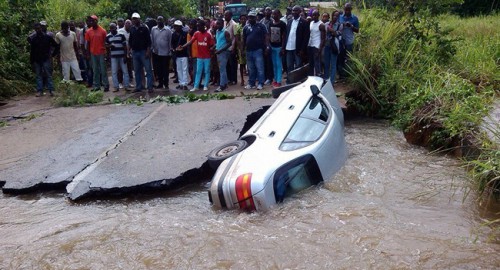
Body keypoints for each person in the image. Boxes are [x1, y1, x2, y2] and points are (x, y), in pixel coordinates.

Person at [178, 20, 214, 92]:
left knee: (206, 71)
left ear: (203, 26)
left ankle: (206, 85)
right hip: (199, 57)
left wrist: (212, 49)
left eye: (199, 26)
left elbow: (212, 45)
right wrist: (183, 47)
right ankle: (196, 86)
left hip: (207, 57)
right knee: (198, 71)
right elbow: (190, 42)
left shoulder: (208, 35)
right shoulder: (197, 33)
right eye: (197, 26)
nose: (197, 27)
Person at [28, 22, 58, 96]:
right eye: (36, 29)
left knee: (48, 74)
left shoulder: (48, 37)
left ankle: (51, 90)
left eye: (39, 28)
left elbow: (56, 46)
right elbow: (32, 50)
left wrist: (53, 54)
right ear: (35, 30)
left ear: (41, 28)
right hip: (37, 59)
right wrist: (32, 61)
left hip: (46, 58)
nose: (38, 30)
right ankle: (39, 91)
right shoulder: (34, 39)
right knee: (38, 75)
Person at [283, 5, 310, 84]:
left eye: (296, 11)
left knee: (298, 65)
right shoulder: (290, 21)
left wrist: (302, 49)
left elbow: (306, 38)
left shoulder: (304, 22)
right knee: (289, 66)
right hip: (289, 47)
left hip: (298, 49)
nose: (294, 12)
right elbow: (286, 35)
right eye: (293, 11)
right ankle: (290, 81)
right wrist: (284, 47)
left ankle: (298, 81)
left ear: (300, 12)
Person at [243, 11, 268, 90]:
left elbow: (266, 36)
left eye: (252, 17)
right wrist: (242, 49)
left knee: (260, 68)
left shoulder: (261, 26)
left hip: (258, 50)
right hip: (248, 50)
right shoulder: (246, 27)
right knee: (251, 68)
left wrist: (267, 47)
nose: (251, 19)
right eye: (249, 17)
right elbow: (244, 39)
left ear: (256, 17)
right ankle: (251, 83)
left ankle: (261, 83)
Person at [129, 12, 154, 92]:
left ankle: (150, 87)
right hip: (135, 52)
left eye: (136, 19)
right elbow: (130, 40)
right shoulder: (132, 29)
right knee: (137, 71)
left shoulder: (144, 28)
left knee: (148, 70)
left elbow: (149, 41)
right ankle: (139, 86)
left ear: (139, 19)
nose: (134, 20)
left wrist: (148, 51)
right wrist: (129, 50)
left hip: (143, 51)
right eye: (133, 19)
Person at [84, 15, 109, 92]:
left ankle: (106, 85)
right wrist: (88, 54)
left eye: (93, 21)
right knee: (95, 70)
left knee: (103, 70)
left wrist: (106, 53)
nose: (91, 22)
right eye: (90, 21)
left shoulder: (103, 31)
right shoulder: (88, 31)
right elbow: (88, 43)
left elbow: (105, 43)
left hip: (101, 53)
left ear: (96, 21)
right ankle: (96, 86)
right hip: (93, 53)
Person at [105, 23, 130, 92]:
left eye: (113, 28)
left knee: (125, 71)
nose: (112, 29)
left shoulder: (121, 35)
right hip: (113, 57)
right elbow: (106, 46)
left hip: (122, 56)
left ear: (116, 28)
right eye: (111, 28)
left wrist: (125, 56)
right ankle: (116, 87)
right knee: (114, 72)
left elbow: (125, 46)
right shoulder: (108, 36)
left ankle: (126, 86)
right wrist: (110, 46)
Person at [150, 16, 173, 90]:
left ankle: (166, 84)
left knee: (165, 69)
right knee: (158, 69)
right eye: (158, 20)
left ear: (163, 21)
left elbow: (170, 41)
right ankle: (160, 83)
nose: (159, 21)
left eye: (161, 20)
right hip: (156, 53)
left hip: (165, 53)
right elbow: (152, 39)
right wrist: (153, 49)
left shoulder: (168, 30)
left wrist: (170, 51)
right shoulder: (153, 29)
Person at [338, 2, 359, 79]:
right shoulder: (340, 17)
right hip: (341, 41)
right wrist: (342, 25)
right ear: (344, 9)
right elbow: (336, 27)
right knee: (340, 57)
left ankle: (348, 74)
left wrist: (351, 26)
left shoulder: (355, 18)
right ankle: (341, 74)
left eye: (349, 10)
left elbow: (357, 31)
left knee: (349, 58)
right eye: (346, 10)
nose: (347, 11)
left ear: (351, 9)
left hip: (349, 41)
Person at [214, 18, 232, 92]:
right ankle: (224, 84)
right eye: (216, 24)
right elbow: (218, 42)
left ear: (222, 24)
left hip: (223, 52)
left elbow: (229, 43)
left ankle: (222, 86)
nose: (217, 25)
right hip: (218, 52)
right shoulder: (217, 31)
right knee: (221, 69)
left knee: (222, 69)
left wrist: (220, 50)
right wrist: (214, 47)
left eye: (218, 24)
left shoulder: (226, 32)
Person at [269, 9, 286, 87]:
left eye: (275, 14)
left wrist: (283, 48)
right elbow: (269, 35)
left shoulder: (282, 24)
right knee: (273, 64)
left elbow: (284, 36)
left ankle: (279, 80)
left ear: (279, 15)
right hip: (272, 46)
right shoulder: (270, 23)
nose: (273, 16)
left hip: (279, 47)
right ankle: (275, 79)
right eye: (272, 14)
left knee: (279, 64)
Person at [307, 10, 326, 76]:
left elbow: (323, 38)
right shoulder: (311, 23)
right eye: (313, 15)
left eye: (315, 15)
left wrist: (320, 49)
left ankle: (318, 78)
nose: (314, 16)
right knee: (311, 64)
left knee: (317, 64)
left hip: (317, 46)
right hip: (310, 45)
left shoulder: (321, 25)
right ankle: (311, 78)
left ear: (318, 15)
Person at [171, 20, 189, 90]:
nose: (175, 27)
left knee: (184, 69)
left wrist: (182, 47)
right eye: (175, 26)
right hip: (177, 54)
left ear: (180, 27)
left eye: (177, 26)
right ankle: (181, 83)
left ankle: (185, 83)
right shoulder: (173, 34)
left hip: (184, 54)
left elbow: (187, 43)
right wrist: (173, 49)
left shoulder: (185, 34)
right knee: (179, 69)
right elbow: (172, 44)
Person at [118, 19, 134, 88]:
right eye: (127, 23)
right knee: (120, 68)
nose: (128, 24)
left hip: (130, 52)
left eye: (129, 23)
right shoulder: (120, 31)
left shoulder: (132, 31)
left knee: (129, 67)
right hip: (121, 52)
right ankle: (120, 82)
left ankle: (129, 82)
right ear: (125, 24)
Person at [327, 11, 343, 84]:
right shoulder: (328, 23)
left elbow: (338, 34)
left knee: (333, 64)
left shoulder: (340, 25)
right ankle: (326, 80)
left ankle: (332, 82)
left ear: (339, 17)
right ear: (332, 15)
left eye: (337, 16)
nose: (335, 17)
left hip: (335, 46)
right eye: (334, 15)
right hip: (327, 45)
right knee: (327, 63)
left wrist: (332, 30)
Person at [260, 7, 273, 85]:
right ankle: (264, 77)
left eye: (269, 10)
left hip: (270, 44)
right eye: (266, 10)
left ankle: (270, 78)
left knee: (269, 62)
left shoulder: (272, 21)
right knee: (263, 62)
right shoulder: (262, 21)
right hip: (262, 44)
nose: (267, 11)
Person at [223, 10, 237, 85]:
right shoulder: (224, 23)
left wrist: (234, 47)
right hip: (225, 47)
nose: (225, 17)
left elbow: (235, 37)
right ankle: (229, 79)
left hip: (231, 47)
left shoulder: (234, 24)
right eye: (224, 15)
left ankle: (234, 79)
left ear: (230, 16)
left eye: (226, 15)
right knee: (227, 64)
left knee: (233, 65)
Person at [235, 14, 247, 86]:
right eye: (242, 19)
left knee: (249, 64)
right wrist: (241, 49)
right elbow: (237, 39)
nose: (243, 20)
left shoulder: (248, 27)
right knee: (241, 64)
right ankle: (242, 79)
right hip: (241, 48)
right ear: (240, 20)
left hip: (248, 48)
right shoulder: (238, 28)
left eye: (244, 19)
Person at [187, 19, 198, 86]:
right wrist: (189, 55)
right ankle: (193, 80)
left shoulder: (198, 32)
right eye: (190, 24)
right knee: (190, 69)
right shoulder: (189, 33)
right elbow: (188, 44)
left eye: (192, 24)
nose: (190, 26)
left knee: (196, 70)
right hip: (192, 53)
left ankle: (195, 82)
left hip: (198, 54)